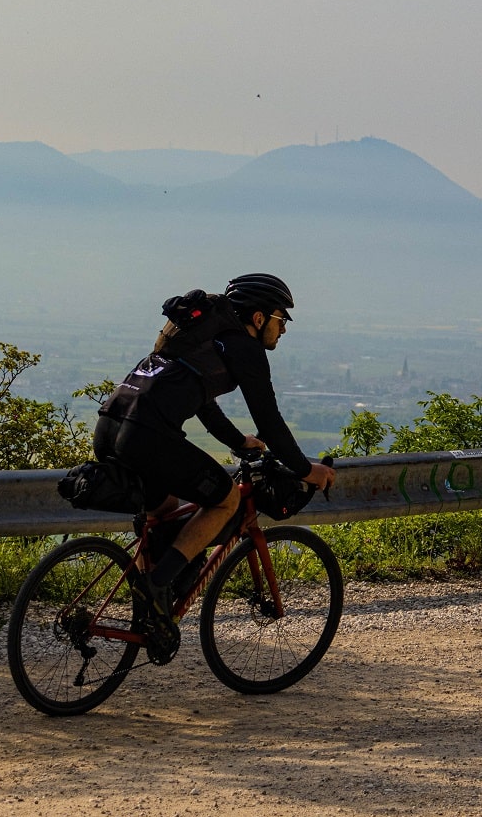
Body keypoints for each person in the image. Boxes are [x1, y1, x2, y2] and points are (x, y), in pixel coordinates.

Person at [93, 273, 335, 647]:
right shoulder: (244, 348)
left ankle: (149, 617)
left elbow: (202, 401)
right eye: (281, 319)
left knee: (164, 509)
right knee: (226, 498)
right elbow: (269, 419)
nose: (283, 329)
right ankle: (154, 588)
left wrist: (238, 441)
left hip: (109, 424)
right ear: (259, 318)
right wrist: (306, 469)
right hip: (145, 435)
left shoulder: (203, 337)